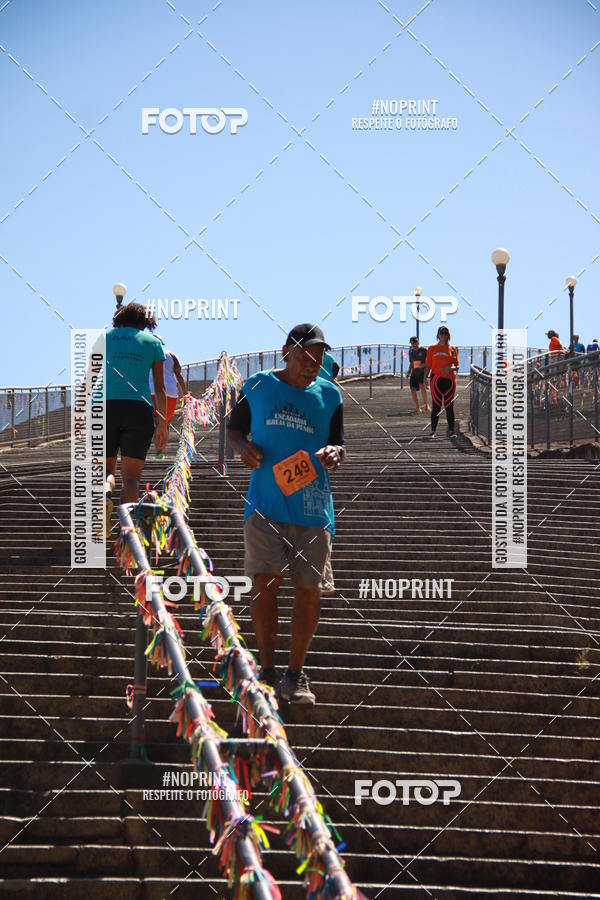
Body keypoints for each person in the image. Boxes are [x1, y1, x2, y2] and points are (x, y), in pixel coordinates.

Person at [227, 323, 345, 705]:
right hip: (265, 503)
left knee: (310, 590)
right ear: (286, 352)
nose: (311, 365)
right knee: (265, 582)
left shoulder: (330, 395)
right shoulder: (259, 386)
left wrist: (334, 455)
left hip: (312, 508)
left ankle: (296, 675)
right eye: (304, 356)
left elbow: (338, 445)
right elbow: (234, 428)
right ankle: (266, 670)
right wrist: (242, 446)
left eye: (318, 358)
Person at [104, 302, 168, 535]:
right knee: (131, 478)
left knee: (106, 470)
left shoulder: (105, 336)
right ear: (146, 322)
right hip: (139, 409)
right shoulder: (153, 343)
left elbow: (90, 378)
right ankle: (127, 529)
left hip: (105, 406)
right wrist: (164, 423)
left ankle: (104, 492)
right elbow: (160, 389)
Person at [149, 337, 187, 458]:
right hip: (170, 393)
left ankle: (156, 449)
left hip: (152, 391)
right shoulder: (172, 355)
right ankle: (161, 451)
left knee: (155, 422)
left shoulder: (146, 353)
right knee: (165, 424)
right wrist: (185, 393)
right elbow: (179, 376)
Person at [424, 326, 459, 439]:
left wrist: (450, 369)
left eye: (445, 333)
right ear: (438, 334)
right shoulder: (432, 349)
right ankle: (433, 431)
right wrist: (425, 378)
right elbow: (428, 365)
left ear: (448, 335)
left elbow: (457, 366)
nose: (443, 335)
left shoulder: (452, 349)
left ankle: (452, 431)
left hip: (449, 381)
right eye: (441, 333)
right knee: (436, 406)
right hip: (436, 381)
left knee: (449, 406)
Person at [407, 336, 429, 413]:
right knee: (412, 389)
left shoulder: (424, 350)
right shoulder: (410, 351)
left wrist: (422, 365)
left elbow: (429, 362)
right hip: (414, 372)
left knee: (422, 386)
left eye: (415, 342)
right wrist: (408, 371)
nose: (414, 344)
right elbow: (411, 363)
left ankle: (426, 404)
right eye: (412, 343)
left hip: (422, 372)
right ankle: (417, 407)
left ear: (418, 342)